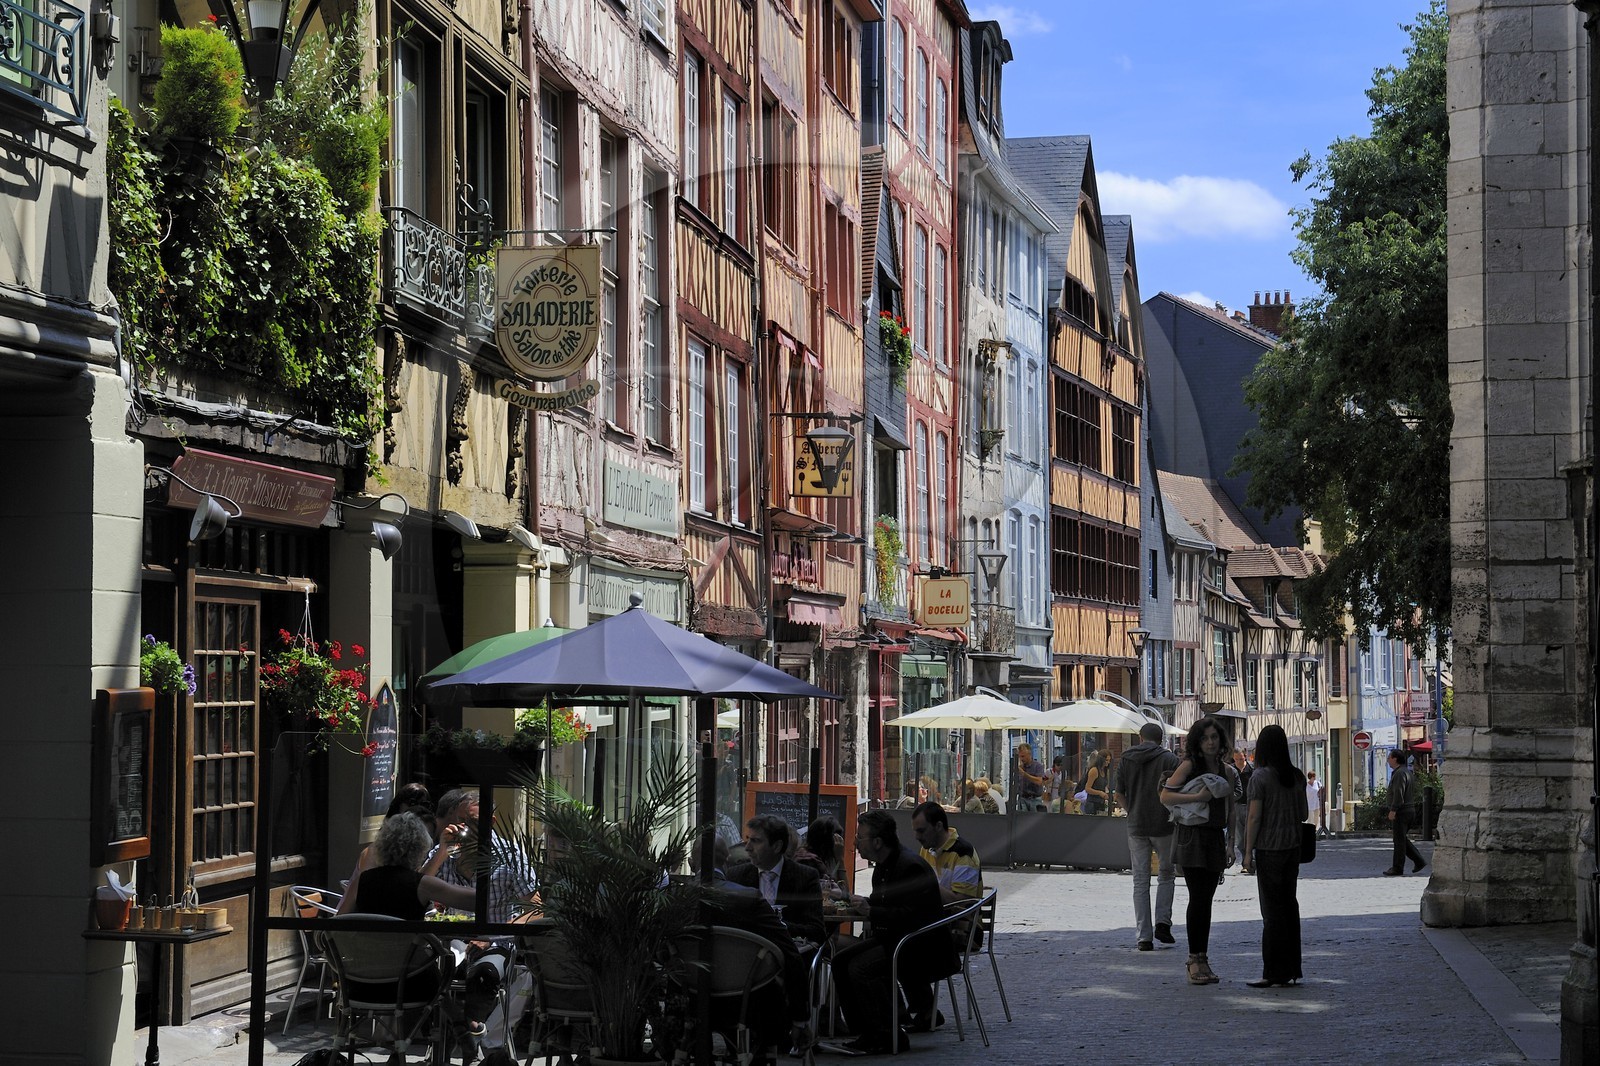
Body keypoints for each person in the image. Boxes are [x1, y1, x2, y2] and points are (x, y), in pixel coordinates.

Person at [827, 810, 956, 1055]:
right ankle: (865, 1030)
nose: (855, 843)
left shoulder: (909, 867)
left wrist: (871, 911)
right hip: (896, 938)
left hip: (919, 946)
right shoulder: (885, 866)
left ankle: (888, 1034)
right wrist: (850, 899)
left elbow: (912, 917)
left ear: (877, 842)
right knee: (840, 961)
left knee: (860, 967)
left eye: (859, 838)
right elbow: (881, 903)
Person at [700, 837, 813, 1063]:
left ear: (692, 861)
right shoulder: (748, 898)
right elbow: (790, 953)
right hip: (747, 1005)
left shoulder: (675, 899)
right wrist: (800, 1019)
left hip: (693, 1001)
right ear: (727, 860)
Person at [1158, 716, 1237, 986]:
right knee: (1198, 897)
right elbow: (1165, 796)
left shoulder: (1226, 770)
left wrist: (1231, 843)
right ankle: (1195, 959)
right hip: (1191, 836)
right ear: (1197, 741)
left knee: (1207, 900)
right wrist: (1196, 798)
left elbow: (1231, 809)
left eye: (1215, 737)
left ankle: (1202, 957)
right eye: (1205, 738)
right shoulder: (1189, 766)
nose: (1211, 743)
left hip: (1214, 837)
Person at [1240, 724, 1309, 988]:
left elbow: (1254, 817)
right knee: (1289, 907)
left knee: (1271, 913)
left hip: (1269, 849)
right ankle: (1292, 968)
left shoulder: (1260, 777)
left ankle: (1272, 971)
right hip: (1292, 849)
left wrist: (1247, 853)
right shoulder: (1296, 776)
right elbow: (1303, 814)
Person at [1120, 722, 1181, 951]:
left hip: (1136, 826)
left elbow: (1119, 793)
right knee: (1166, 874)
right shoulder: (1169, 760)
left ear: (1140, 737)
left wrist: (1131, 811)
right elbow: (1178, 789)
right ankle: (1163, 922)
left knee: (1140, 880)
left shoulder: (1126, 758)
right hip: (1163, 824)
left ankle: (1143, 936)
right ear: (1161, 738)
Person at [349, 811, 479, 918]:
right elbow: (473, 901)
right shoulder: (421, 884)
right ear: (420, 848)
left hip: (366, 948)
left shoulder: (363, 879)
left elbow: (340, 920)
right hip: (406, 949)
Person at [728, 815, 825, 946]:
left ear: (777, 846)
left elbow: (817, 931)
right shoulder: (736, 875)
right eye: (748, 839)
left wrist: (778, 926)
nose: (747, 847)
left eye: (756, 841)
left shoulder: (805, 877)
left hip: (788, 956)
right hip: (746, 955)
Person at [1383, 751, 1428, 876]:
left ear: (1395, 759)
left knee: (1399, 841)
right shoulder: (1405, 772)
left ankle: (1398, 867)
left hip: (1402, 811)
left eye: (1389, 758)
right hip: (1408, 810)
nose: (1387, 760)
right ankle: (1419, 861)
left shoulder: (1400, 774)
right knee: (1401, 839)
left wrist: (1393, 809)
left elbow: (1399, 793)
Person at [794, 815, 848, 893]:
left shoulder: (803, 853)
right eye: (837, 839)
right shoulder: (812, 861)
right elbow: (844, 894)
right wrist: (840, 859)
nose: (840, 843)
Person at [1230, 750, 1255, 866]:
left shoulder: (1252, 770)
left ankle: (1250, 860)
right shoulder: (1231, 770)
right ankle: (1246, 859)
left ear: (1245, 757)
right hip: (1237, 806)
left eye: (1241, 759)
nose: (1239, 762)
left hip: (1251, 806)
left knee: (1251, 834)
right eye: (1236, 759)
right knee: (1239, 839)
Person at [1014, 743, 1047, 812]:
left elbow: (1039, 781)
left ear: (1029, 754)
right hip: (1023, 798)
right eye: (1020, 757)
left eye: (1023, 756)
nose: (1021, 759)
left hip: (1034, 799)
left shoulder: (1038, 766)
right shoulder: (1020, 768)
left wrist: (1025, 774)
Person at [1080, 749, 1111, 815]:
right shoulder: (1094, 770)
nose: (1108, 762)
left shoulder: (1105, 771)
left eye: (1109, 760)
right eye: (1106, 760)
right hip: (1092, 804)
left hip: (1101, 803)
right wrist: (1099, 793)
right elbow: (1087, 789)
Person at [1305, 770, 1325, 836]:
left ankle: (1315, 830)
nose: (1315, 777)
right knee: (1310, 819)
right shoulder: (1306, 785)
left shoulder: (1317, 783)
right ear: (1311, 777)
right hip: (1309, 804)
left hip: (1316, 804)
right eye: (1314, 776)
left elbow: (1322, 789)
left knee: (1316, 818)